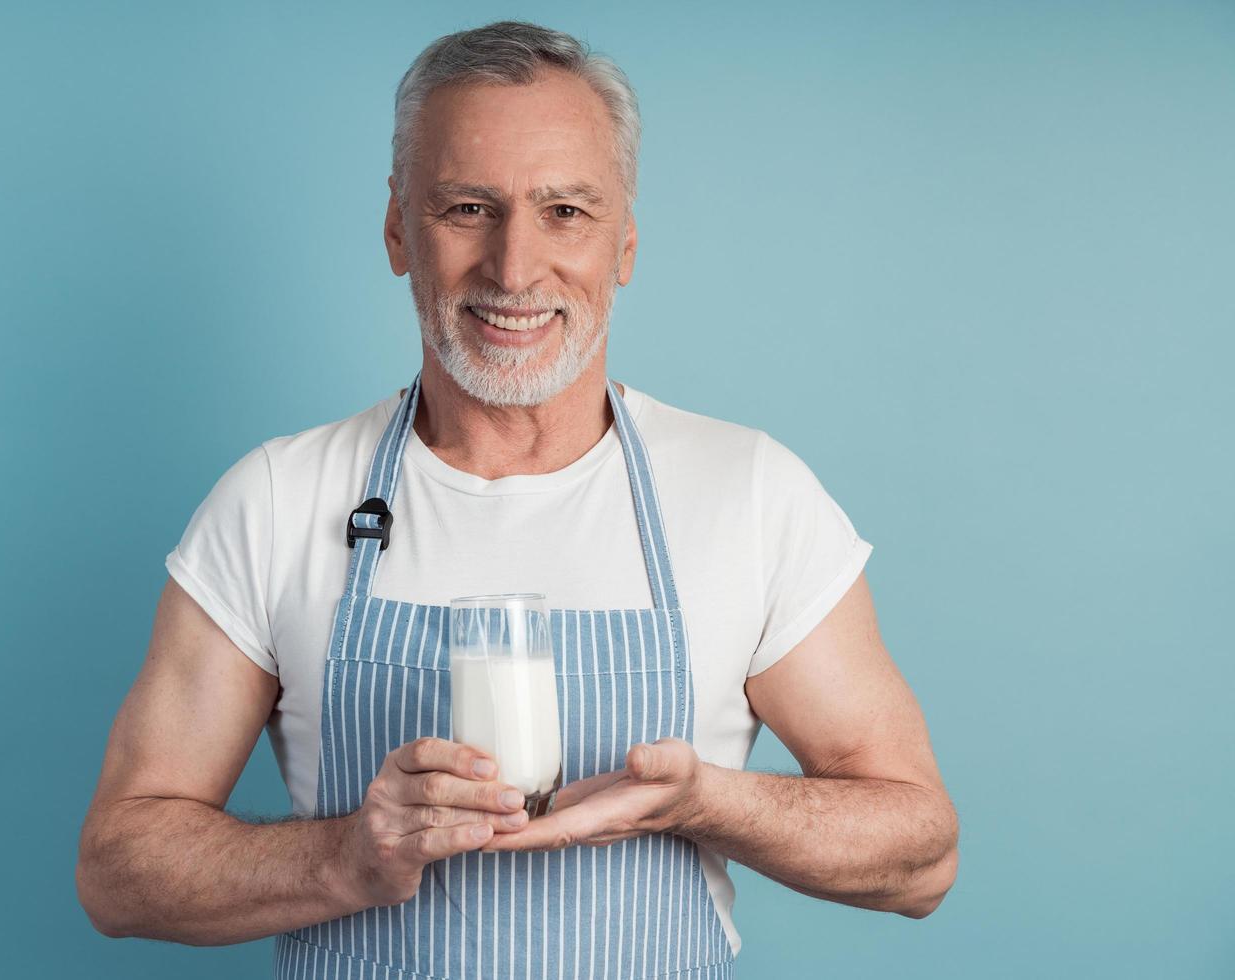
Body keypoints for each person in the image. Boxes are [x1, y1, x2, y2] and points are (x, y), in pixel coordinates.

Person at [75, 19, 958, 977]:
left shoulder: (747, 495)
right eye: (467, 208)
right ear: (396, 229)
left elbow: (920, 857)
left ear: (625, 240)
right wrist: (348, 857)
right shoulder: (280, 500)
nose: (514, 268)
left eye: (565, 212)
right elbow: (119, 871)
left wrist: (704, 800)